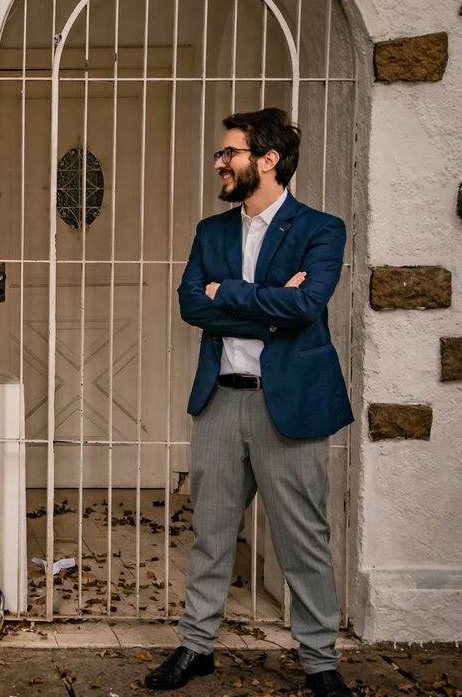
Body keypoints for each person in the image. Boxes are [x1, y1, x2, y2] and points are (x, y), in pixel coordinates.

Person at [146, 109, 354, 697]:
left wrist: (230, 293)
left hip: (289, 407)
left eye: (229, 152)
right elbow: (192, 306)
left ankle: (320, 661)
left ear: (267, 160)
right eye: (222, 153)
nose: (220, 162)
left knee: (303, 540)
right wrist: (268, 305)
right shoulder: (212, 231)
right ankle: (196, 647)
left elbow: (307, 305)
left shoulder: (321, 229)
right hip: (220, 401)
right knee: (211, 535)